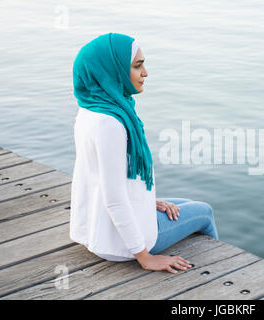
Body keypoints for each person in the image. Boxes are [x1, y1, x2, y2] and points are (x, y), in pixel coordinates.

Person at [70, 33, 219, 274]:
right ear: (113, 69)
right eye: (137, 66)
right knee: (204, 211)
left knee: (181, 204)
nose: (145, 73)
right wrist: (144, 256)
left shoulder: (90, 110)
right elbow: (115, 199)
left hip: (95, 229)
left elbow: (99, 177)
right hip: (119, 243)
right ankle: (218, 272)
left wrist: (149, 203)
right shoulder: (111, 124)